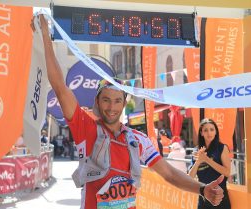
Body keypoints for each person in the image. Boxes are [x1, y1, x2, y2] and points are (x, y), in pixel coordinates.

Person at [31, 14, 224, 209]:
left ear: (124, 104)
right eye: (106, 100)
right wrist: (45, 38)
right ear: (97, 101)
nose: (111, 107)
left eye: (117, 101)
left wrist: (203, 189)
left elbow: (169, 173)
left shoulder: (137, 139)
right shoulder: (85, 128)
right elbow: (60, 87)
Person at [188, 118, 231, 209]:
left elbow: (227, 172)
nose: (209, 133)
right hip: (203, 199)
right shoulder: (197, 151)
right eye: (206, 130)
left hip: (220, 198)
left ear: (216, 132)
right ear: (201, 133)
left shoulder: (222, 148)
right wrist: (198, 161)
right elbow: (190, 178)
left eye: (212, 129)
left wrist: (206, 159)